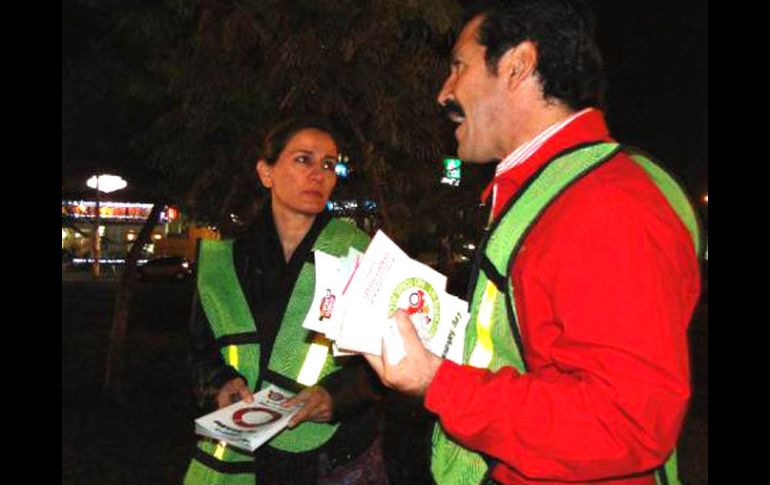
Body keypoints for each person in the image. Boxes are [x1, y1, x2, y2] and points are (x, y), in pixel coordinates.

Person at [364, 1, 702, 485]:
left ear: (517, 65)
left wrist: (437, 382)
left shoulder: (604, 204)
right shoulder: (549, 192)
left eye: (459, 66)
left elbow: (625, 423)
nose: (444, 92)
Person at [184, 117, 389, 485]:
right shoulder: (225, 262)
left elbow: (389, 355)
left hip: (338, 455)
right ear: (266, 173)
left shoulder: (361, 253)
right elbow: (200, 351)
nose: (319, 174)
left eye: (329, 164)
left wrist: (335, 396)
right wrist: (219, 383)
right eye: (303, 160)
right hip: (249, 456)